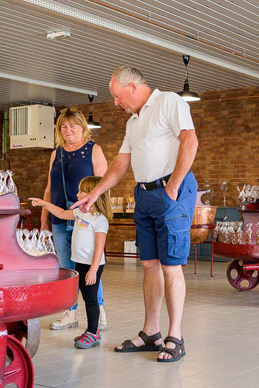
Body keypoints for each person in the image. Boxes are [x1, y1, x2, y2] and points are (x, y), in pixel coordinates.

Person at [74, 66, 198, 363]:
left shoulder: (169, 102)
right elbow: (120, 163)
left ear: (132, 87)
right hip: (144, 195)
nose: (116, 103)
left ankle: (176, 336)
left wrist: (173, 187)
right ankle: (151, 333)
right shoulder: (133, 122)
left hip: (171, 192)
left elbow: (190, 142)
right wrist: (96, 192)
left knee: (170, 266)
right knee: (150, 265)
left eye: (117, 96)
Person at [41, 107, 108, 331]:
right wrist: (44, 221)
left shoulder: (93, 150)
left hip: (87, 219)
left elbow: (103, 186)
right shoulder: (56, 153)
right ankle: (70, 311)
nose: (68, 129)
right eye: (64, 126)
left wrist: (100, 217)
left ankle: (98, 309)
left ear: (82, 128)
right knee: (66, 268)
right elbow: (49, 189)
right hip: (60, 217)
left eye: (73, 125)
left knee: (90, 264)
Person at [30, 176, 112, 349]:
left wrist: (93, 270)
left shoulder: (99, 220)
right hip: (80, 263)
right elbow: (60, 213)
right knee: (84, 296)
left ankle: (93, 332)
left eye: (81, 190)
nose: (77, 193)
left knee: (91, 299)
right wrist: (44, 203)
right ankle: (90, 330)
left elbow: (99, 247)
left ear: (93, 194)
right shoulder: (80, 212)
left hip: (92, 265)